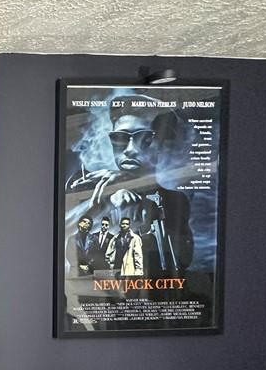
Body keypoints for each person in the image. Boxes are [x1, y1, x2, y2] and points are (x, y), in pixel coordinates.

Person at [69, 94, 193, 275]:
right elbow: (72, 257)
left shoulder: (174, 201)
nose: (130, 150)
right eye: (120, 138)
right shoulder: (92, 190)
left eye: (145, 139)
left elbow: (183, 259)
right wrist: (102, 206)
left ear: (163, 145)